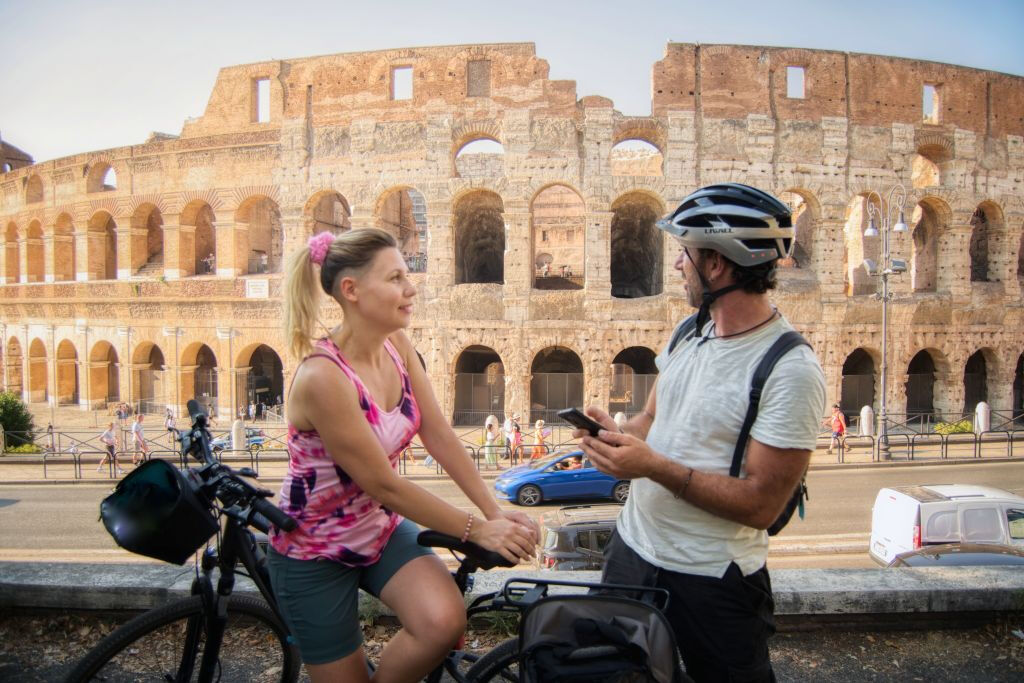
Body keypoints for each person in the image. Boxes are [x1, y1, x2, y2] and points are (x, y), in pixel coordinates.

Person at [576, 184, 826, 682]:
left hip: (714, 579)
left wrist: (652, 466)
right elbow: (652, 420)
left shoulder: (789, 369)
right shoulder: (690, 330)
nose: (677, 267)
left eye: (684, 255)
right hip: (632, 552)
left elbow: (762, 505)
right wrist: (616, 435)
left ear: (716, 264)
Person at [271, 228, 539, 682]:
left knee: (443, 621)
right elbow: (384, 484)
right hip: (313, 548)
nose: (411, 288)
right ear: (351, 291)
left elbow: (438, 434)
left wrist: (494, 511)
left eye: (407, 274)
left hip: (377, 529)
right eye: (395, 277)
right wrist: (478, 531)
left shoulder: (397, 345)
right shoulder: (323, 376)